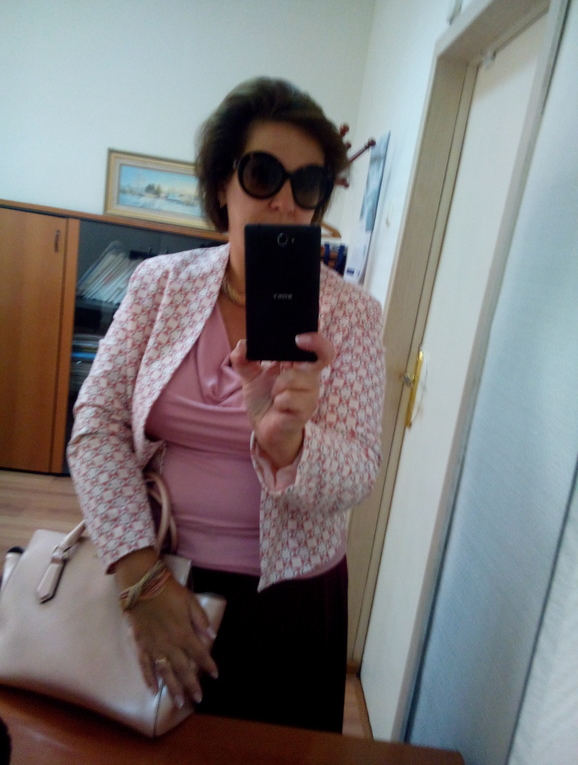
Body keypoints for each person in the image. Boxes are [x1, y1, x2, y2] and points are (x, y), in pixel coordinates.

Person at [67, 76, 385, 733]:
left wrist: (290, 444)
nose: (285, 201)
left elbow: (359, 470)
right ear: (221, 185)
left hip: (291, 602)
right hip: (155, 567)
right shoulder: (159, 284)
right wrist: (139, 575)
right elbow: (96, 424)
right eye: (262, 173)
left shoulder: (353, 315)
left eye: (308, 183)